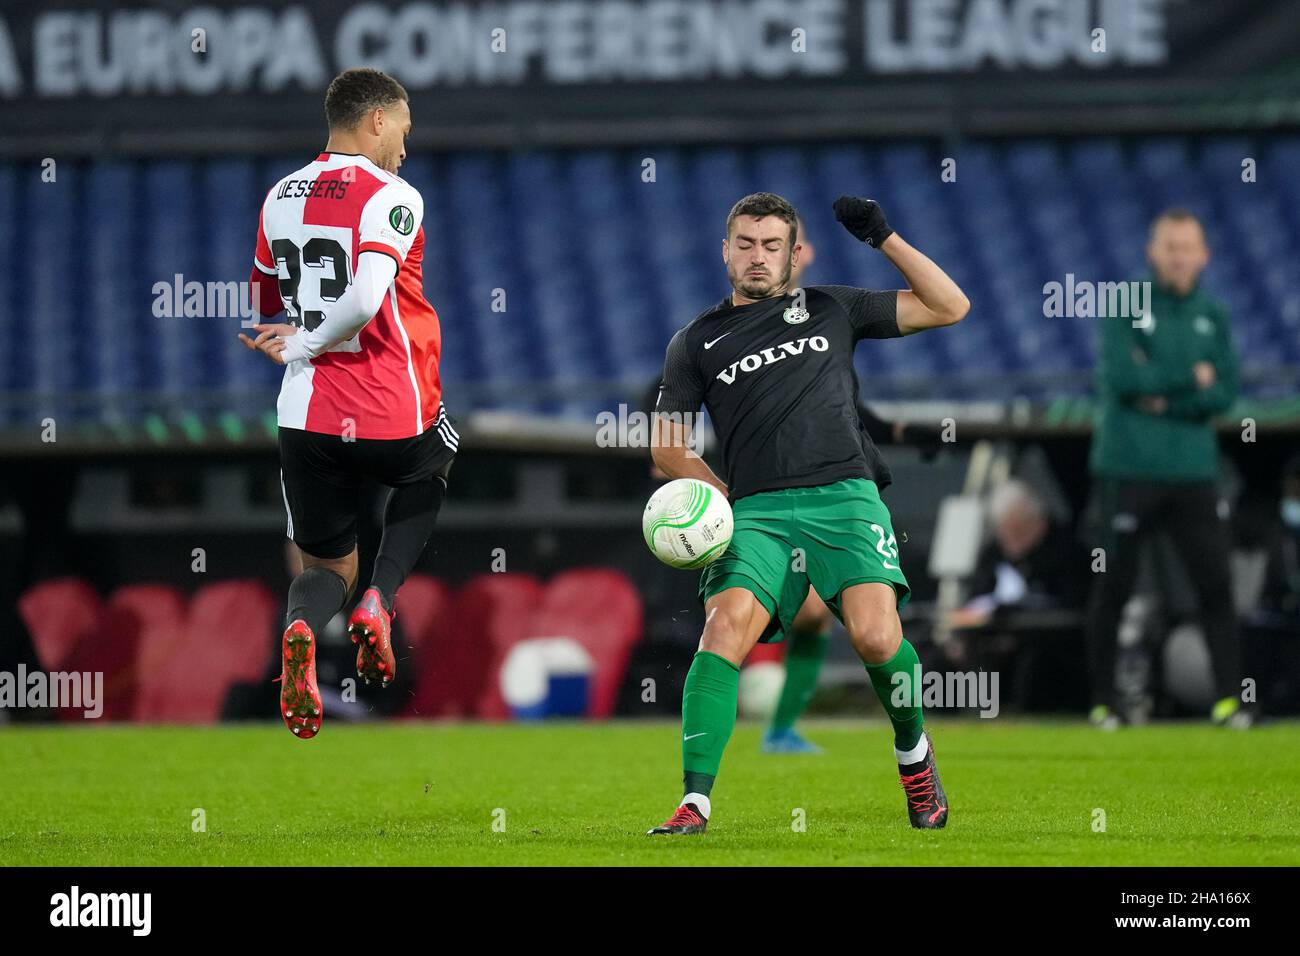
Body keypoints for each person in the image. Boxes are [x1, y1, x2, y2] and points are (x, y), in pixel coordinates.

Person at [648, 191, 970, 834]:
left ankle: (915, 756)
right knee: (722, 632)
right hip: (758, 514)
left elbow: (950, 305)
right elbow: (666, 447)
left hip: (846, 497)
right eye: (745, 244)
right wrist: (723, 504)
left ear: (795, 254)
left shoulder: (833, 307)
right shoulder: (695, 341)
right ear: (725, 251)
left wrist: (884, 238)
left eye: (772, 245)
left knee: (878, 638)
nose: (758, 257)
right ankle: (695, 802)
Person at [240, 68, 456, 740]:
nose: (405, 149)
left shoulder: (279, 196)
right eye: (404, 131)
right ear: (377, 120)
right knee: (439, 452)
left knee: (324, 563)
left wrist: (295, 340)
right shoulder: (394, 195)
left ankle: (301, 628)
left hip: (305, 419)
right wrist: (309, 343)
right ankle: (380, 604)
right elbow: (363, 300)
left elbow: (263, 305)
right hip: (389, 405)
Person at [760, 216, 942, 755]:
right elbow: (674, 384)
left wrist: (908, 432)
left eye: (781, 247)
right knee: (780, 620)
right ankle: (752, 744)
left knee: (846, 626)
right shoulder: (728, 333)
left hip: (829, 494)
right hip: (757, 496)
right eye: (755, 245)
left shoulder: (823, 322)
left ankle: (784, 728)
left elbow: (853, 416)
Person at [1085, 208, 1248, 730]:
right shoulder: (1124, 302)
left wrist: (1165, 394)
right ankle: (1105, 703)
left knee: (1216, 586)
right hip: (1129, 466)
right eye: (1170, 247)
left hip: (1194, 471)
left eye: (1188, 247)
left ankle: (1230, 702)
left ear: (1205, 254)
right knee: (1114, 586)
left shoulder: (1214, 313)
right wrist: (1189, 380)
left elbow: (1224, 390)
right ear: (1152, 252)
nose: (1179, 257)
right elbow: (1122, 379)